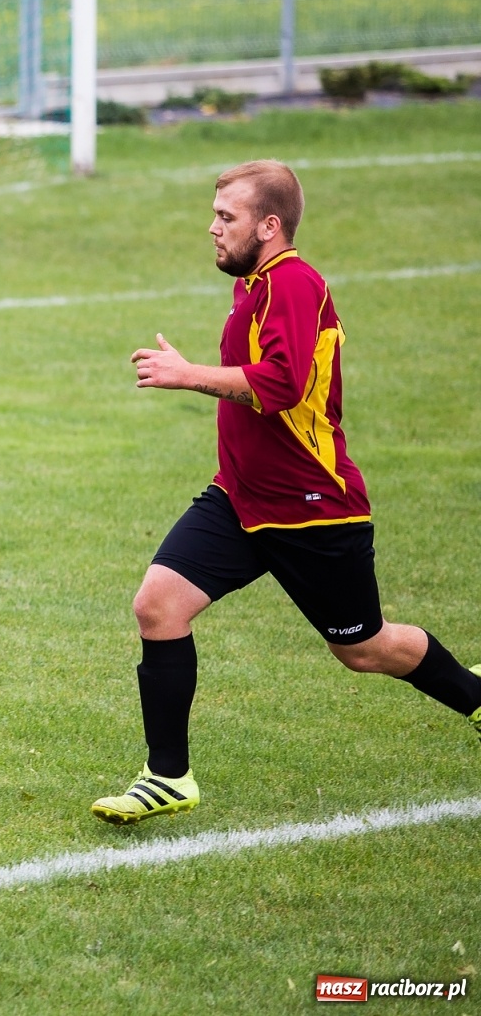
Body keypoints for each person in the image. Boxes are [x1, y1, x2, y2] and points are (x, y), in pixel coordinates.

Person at [91, 159, 481, 825]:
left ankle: (475, 695)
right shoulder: (254, 287)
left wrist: (188, 375)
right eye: (214, 214)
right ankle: (168, 776)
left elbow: (284, 385)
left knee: (365, 649)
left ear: (269, 226)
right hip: (241, 499)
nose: (212, 228)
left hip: (312, 510)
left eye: (227, 217)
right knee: (158, 606)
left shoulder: (293, 285)